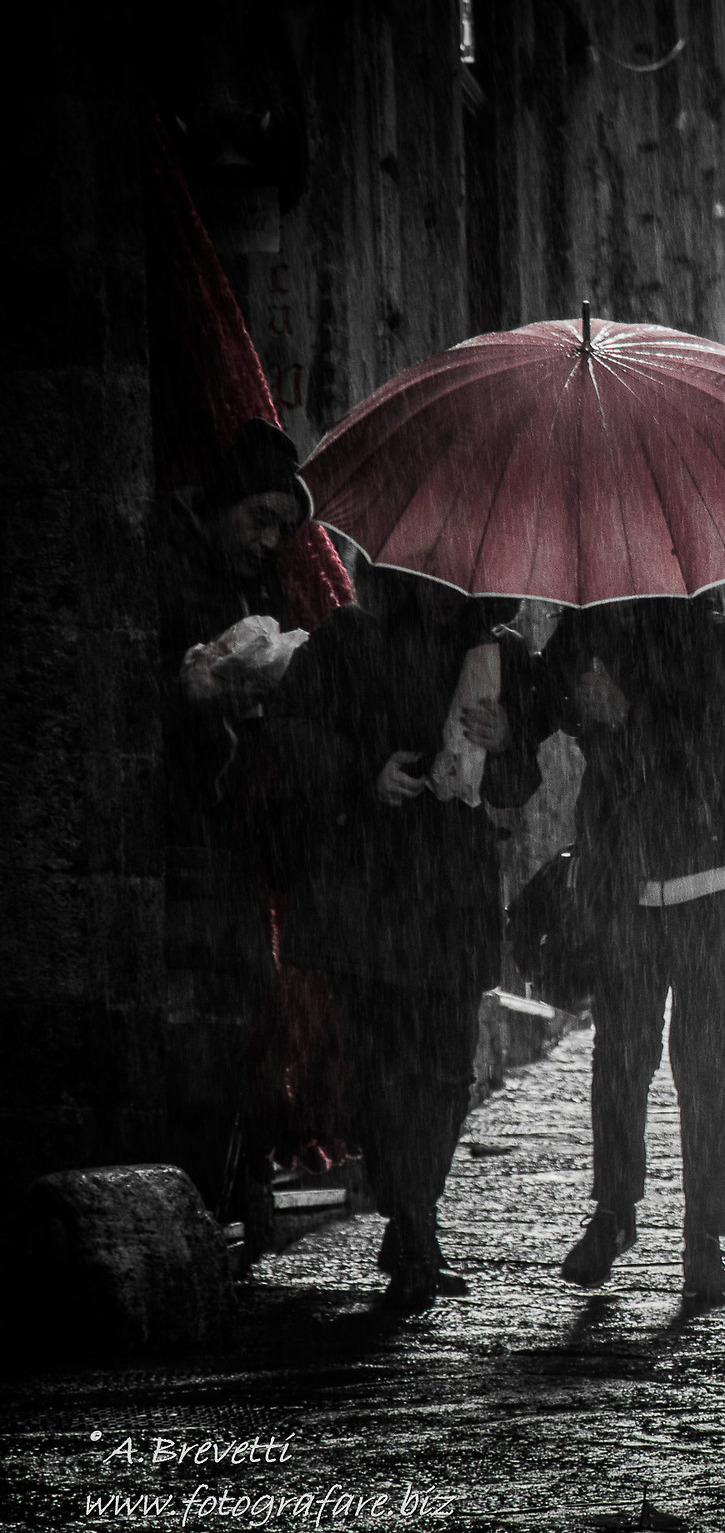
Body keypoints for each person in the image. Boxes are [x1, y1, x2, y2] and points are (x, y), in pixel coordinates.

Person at [269, 569, 543, 1307]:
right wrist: (366, 773)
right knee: (382, 1066)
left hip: (450, 893)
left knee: (448, 1067)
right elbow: (289, 733)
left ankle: (413, 1213)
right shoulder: (352, 639)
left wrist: (507, 738)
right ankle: (415, 1222)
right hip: (368, 887)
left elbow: (518, 785)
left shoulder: (500, 656)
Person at [544, 597, 725, 1308]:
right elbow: (545, 699)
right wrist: (552, 700)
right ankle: (613, 1215)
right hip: (625, 878)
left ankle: (704, 1238)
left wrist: (626, 710)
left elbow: (707, 750)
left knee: (703, 1062)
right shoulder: (585, 627)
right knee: (621, 1055)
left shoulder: (710, 641)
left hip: (715, 880)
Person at [156, 418, 310, 1206]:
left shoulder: (261, 588)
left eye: (281, 529)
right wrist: (195, 692)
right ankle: (197, 1186)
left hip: (242, 840)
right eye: (259, 520)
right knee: (193, 1020)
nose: (267, 541)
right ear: (220, 506)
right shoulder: (165, 570)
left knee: (252, 1002)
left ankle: (236, 1177)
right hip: (178, 839)